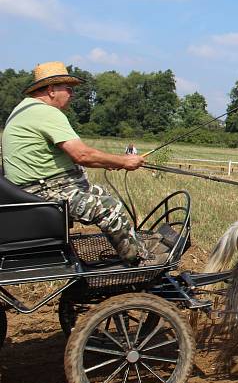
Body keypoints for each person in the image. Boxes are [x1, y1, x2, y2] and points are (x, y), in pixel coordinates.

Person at [1, 61, 156, 265]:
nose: (72, 94)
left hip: (34, 189)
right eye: (68, 89)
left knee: (102, 194)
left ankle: (132, 249)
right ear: (50, 90)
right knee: (109, 207)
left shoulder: (24, 110)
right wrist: (125, 161)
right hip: (43, 193)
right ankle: (139, 260)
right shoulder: (45, 112)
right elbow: (81, 155)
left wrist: (107, 161)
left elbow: (62, 153)